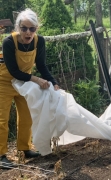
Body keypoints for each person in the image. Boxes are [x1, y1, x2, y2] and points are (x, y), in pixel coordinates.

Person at [0, 8, 59, 168]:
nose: (28, 32)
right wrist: (37, 80)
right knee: (1, 119)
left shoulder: (39, 41)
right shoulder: (9, 42)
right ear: (18, 28)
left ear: (36, 29)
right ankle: (1, 155)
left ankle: (24, 149)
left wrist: (53, 82)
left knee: (26, 117)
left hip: (24, 82)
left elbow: (41, 65)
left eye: (32, 28)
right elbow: (13, 71)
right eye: (24, 28)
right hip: (4, 82)